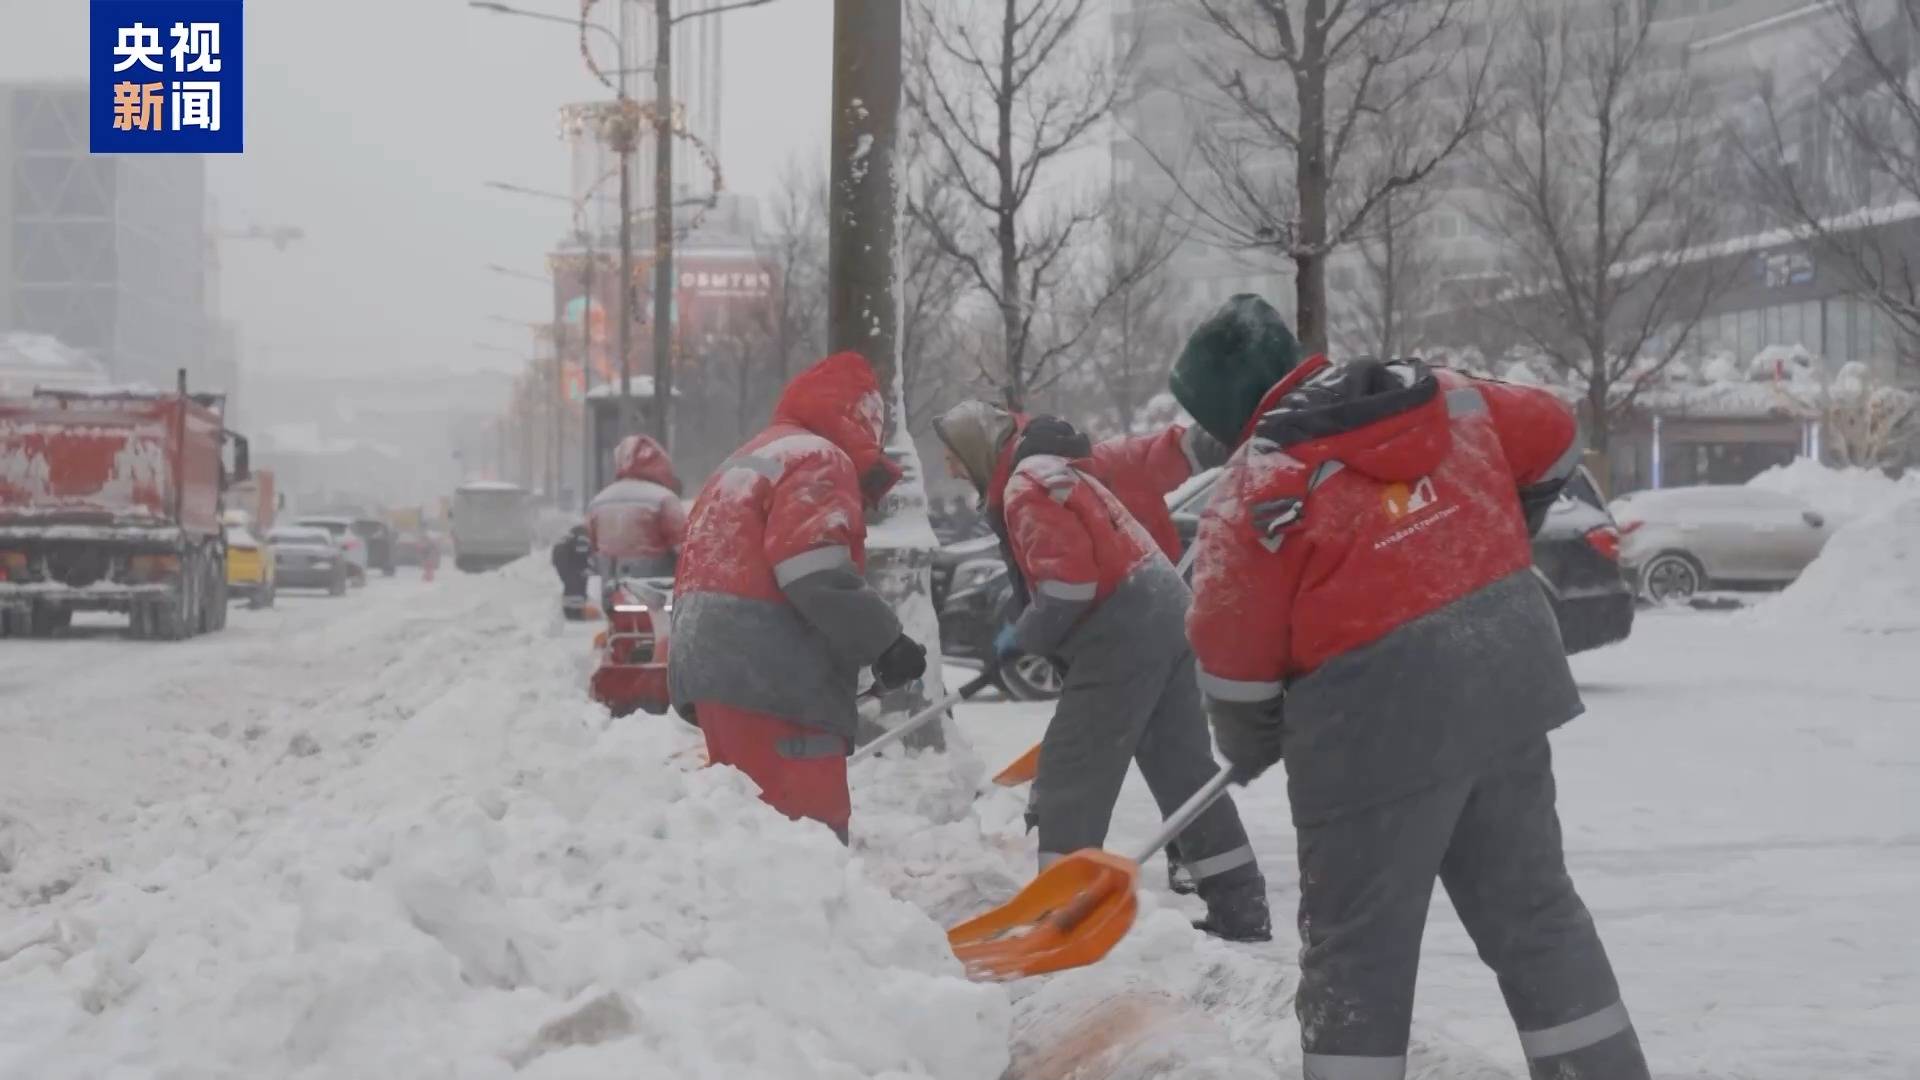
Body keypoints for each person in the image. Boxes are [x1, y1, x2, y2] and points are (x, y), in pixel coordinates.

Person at [1174, 294, 1651, 1080]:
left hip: (1373, 728)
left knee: (1357, 954)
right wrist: (1496, 526)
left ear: (1223, 410)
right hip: (1504, 681)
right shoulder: (1447, 393)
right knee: (1536, 916)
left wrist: (1250, 735)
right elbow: (1556, 432)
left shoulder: (1262, 481)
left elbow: (1230, 650)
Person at [934, 408, 1271, 942]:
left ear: (977, 449)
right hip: (1166, 611)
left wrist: (1024, 635)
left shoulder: (1027, 485)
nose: (952, 470)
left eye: (953, 458)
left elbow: (1069, 585)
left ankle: (1063, 919)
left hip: (1123, 629)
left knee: (1072, 774)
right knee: (1183, 771)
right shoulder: (1049, 470)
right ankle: (1241, 904)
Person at [668, 352, 927, 843]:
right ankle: (807, 919)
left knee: (748, 826)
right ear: (861, 418)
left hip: (708, 660)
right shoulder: (818, 458)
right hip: (769, 674)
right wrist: (887, 643)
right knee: (806, 833)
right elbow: (814, 573)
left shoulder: (753, 454)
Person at [587, 434, 685, 602]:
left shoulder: (599, 501)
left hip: (612, 589)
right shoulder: (664, 499)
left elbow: (592, 543)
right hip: (655, 592)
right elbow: (683, 547)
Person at [551, 524, 593, 615]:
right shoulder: (581, 541)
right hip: (568, 567)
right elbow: (584, 557)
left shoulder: (567, 542)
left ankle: (573, 610)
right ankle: (574, 611)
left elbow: (585, 557)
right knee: (574, 586)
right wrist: (584, 569)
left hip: (568, 566)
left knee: (573, 587)